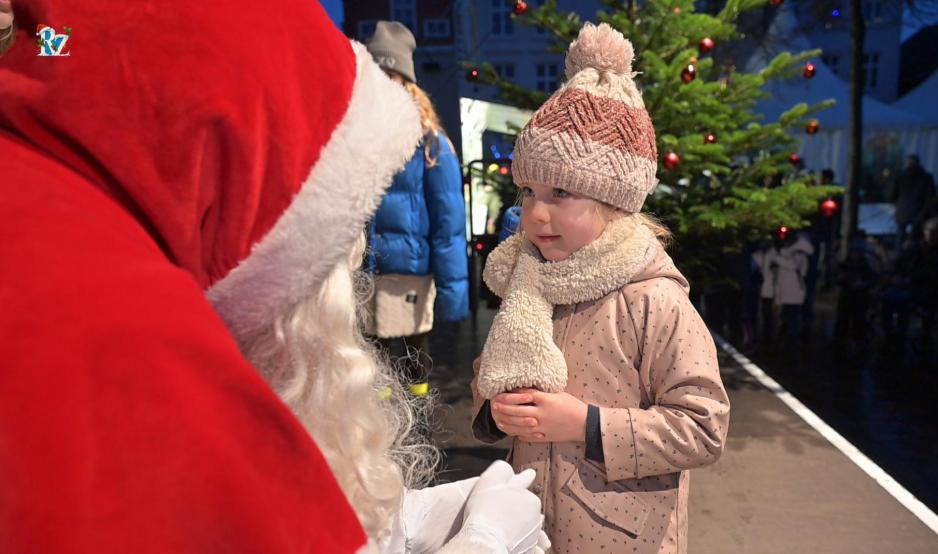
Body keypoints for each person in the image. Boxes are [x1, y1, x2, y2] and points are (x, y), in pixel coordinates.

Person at [0, 2, 547, 552]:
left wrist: (401, 518)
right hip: (384, 271)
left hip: (380, 270)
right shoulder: (125, 341)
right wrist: (484, 540)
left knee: (388, 364)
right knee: (402, 363)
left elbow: (63, 43)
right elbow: (446, 220)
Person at [468, 23, 730, 553]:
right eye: (529, 190)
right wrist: (492, 410)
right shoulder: (532, 283)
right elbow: (491, 374)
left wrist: (587, 424)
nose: (535, 212)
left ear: (614, 201)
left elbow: (703, 428)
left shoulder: (653, 301)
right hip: (534, 525)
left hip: (624, 538)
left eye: (561, 192)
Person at [364, 21, 469, 397]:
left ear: (406, 81)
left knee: (411, 358)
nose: (382, 86)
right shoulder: (356, 137)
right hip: (365, 274)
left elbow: (449, 223)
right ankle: (383, 430)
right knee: (372, 363)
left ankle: (418, 422)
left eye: (390, 75)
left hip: (409, 274)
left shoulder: (431, 146)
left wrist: (454, 296)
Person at [881, 218, 938, 340]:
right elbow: (899, 262)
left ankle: (901, 332)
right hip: (906, 282)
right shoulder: (916, 247)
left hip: (928, 287)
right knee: (887, 297)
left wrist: (911, 279)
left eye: (935, 231)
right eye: (928, 230)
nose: (930, 234)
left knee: (903, 300)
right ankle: (888, 330)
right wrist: (894, 275)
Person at [888, 154, 936, 252]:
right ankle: (916, 257)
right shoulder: (926, 177)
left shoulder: (900, 176)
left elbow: (892, 195)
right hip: (920, 210)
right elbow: (931, 195)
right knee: (919, 236)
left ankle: (900, 257)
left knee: (900, 237)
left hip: (903, 210)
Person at [772, 231, 814, 340]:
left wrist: (778, 259)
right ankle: (787, 337)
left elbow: (794, 267)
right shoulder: (785, 255)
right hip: (787, 292)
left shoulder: (800, 256)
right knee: (786, 316)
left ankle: (793, 338)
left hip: (795, 293)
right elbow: (779, 278)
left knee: (792, 317)